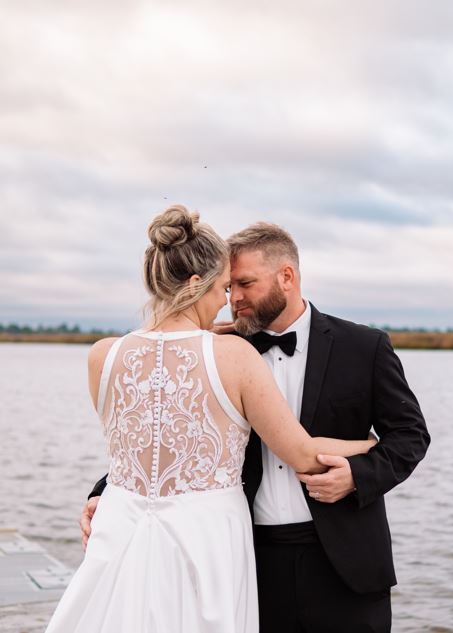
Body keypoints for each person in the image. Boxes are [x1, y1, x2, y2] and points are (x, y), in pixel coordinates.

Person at [47, 206, 377, 633]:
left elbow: (141, 450)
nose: (228, 302)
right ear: (196, 284)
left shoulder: (102, 356)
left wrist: (100, 496)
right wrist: (369, 446)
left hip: (120, 530)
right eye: (223, 288)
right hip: (206, 540)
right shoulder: (233, 355)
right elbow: (301, 452)